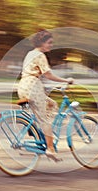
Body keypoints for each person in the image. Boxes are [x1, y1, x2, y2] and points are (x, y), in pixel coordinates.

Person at [17, 30, 73, 158]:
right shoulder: (40, 55)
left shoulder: (30, 53)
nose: (51, 45)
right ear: (42, 43)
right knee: (45, 119)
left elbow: (37, 72)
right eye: (49, 43)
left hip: (23, 86)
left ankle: (38, 133)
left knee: (51, 104)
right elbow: (48, 74)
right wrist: (66, 80)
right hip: (33, 87)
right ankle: (50, 148)